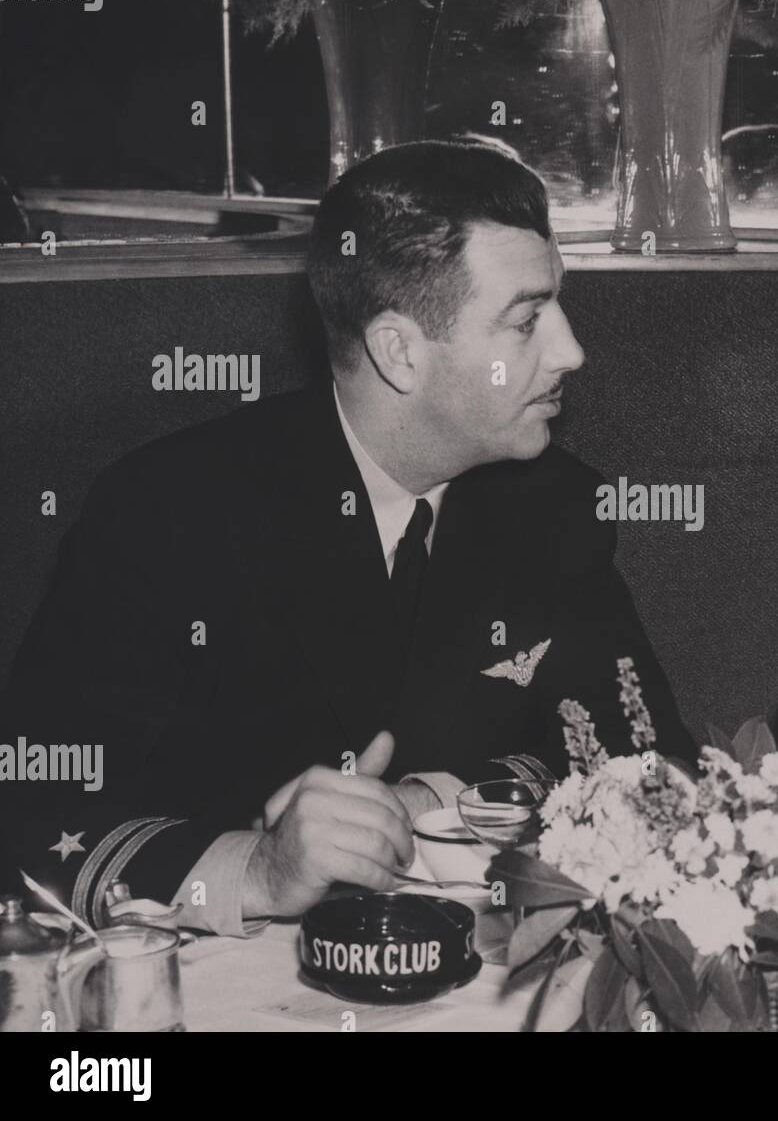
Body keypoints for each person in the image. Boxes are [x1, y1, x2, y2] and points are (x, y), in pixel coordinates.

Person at [1, 139, 694, 932]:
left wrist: (430, 803)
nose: (571, 350)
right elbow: (34, 812)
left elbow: (646, 762)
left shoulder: (553, 505)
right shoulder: (170, 512)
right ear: (400, 352)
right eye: (527, 319)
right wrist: (257, 872)